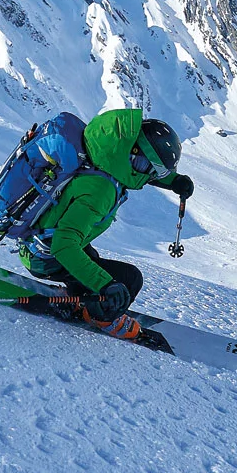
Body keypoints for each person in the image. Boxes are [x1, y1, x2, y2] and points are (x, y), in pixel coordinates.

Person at [19, 108, 192, 333]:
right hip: (45, 256)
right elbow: (64, 245)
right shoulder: (100, 191)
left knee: (92, 259)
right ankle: (99, 317)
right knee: (128, 280)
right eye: (152, 170)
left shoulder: (104, 154)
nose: (151, 177)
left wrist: (173, 181)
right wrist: (106, 286)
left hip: (37, 241)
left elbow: (133, 168)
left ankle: (78, 295)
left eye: (156, 174)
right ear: (134, 156)